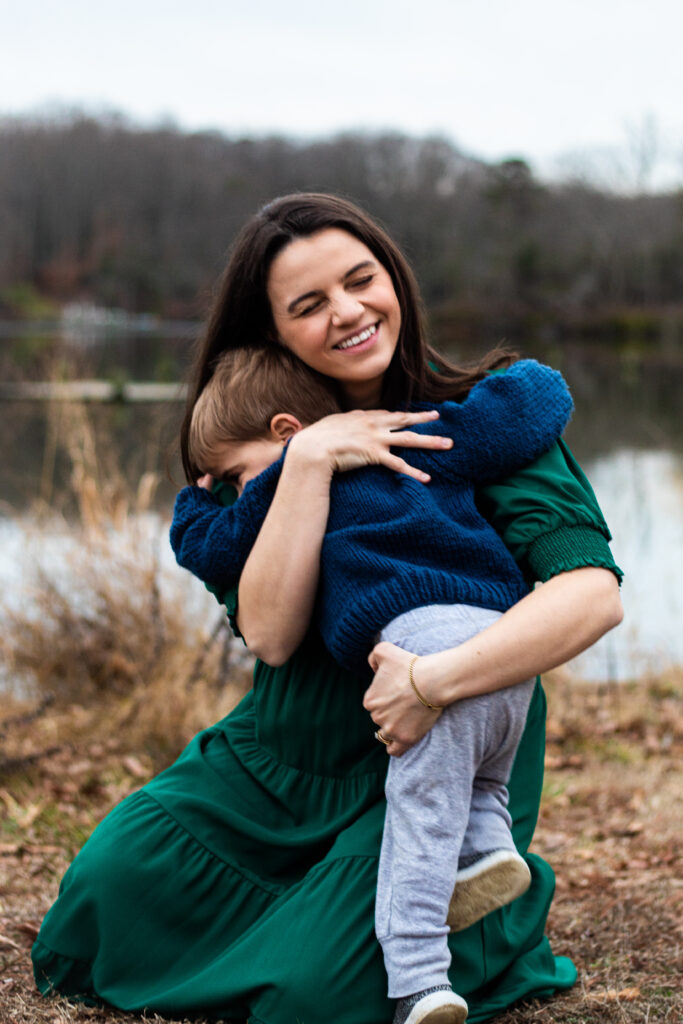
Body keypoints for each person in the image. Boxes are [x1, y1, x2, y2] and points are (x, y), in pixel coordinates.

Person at [32, 193, 623, 1024]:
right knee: (101, 900)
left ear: (394, 279)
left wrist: (433, 681)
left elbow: (591, 598)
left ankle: (461, 896)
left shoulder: (474, 426)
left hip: (432, 751)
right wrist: (306, 460)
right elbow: (271, 636)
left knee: (318, 993)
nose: (347, 312)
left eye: (360, 280)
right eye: (308, 305)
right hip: (277, 759)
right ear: (273, 331)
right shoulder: (246, 462)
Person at [170, 343, 575, 1024]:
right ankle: (489, 852)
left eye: (234, 473)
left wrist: (196, 498)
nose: (237, 491)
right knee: (475, 790)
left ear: (285, 435)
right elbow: (536, 403)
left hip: (424, 656)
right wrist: (515, 375)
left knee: (420, 810)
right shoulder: (421, 438)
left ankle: (418, 983)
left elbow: (204, 544)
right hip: (503, 653)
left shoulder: (282, 485)